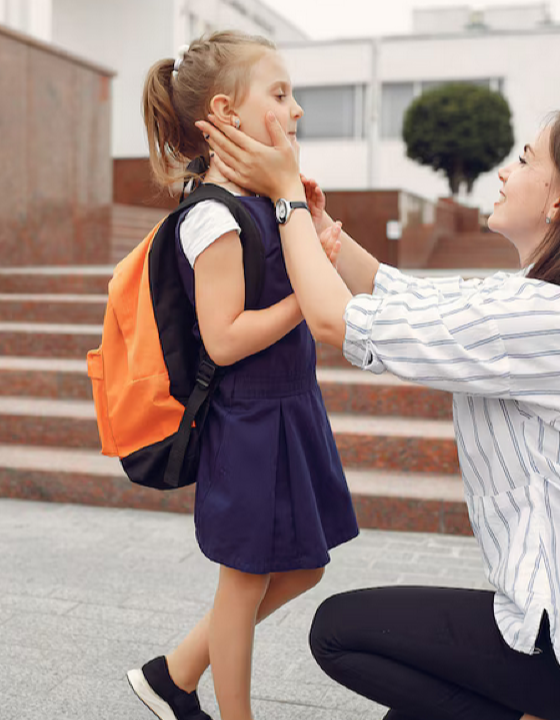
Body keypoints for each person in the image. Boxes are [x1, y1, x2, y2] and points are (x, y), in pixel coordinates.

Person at [196, 104, 560, 720]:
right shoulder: (544, 303)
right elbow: (403, 295)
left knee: (340, 632)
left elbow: (334, 321)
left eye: (525, 159)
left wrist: (284, 197)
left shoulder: (542, 320)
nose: (505, 172)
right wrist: (318, 223)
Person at [128, 31, 359, 720]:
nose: (294, 112)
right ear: (226, 112)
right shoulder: (212, 217)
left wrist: (311, 234)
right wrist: (305, 296)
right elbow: (225, 341)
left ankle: (173, 674)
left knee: (304, 564)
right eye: (280, 94)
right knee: (245, 579)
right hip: (251, 420)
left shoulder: (264, 199)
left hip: (290, 408)